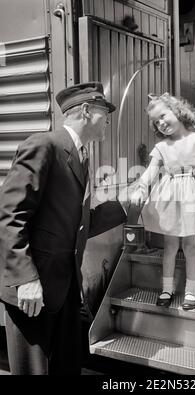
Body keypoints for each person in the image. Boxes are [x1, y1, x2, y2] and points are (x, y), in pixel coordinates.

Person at [0, 82, 127, 375]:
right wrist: (25, 279)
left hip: (66, 285)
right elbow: (9, 215)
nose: (107, 119)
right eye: (104, 112)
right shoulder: (44, 146)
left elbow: (77, 223)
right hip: (33, 289)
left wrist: (126, 204)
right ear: (85, 111)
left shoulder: (80, 154)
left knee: (68, 366)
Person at [131, 93, 195, 310]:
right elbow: (151, 171)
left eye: (163, 115)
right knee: (170, 245)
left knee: (190, 245)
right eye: (156, 121)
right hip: (169, 197)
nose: (161, 123)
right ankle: (166, 289)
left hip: (193, 196)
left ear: (177, 111)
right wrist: (141, 187)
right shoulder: (161, 147)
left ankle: (190, 291)